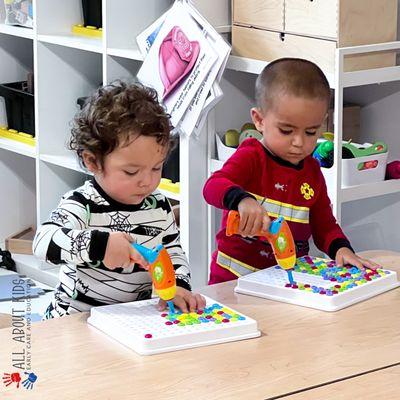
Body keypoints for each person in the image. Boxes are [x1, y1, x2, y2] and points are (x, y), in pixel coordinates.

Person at [33, 81, 205, 318]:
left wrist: (178, 286)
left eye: (156, 168)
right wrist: (101, 246)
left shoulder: (158, 206)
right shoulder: (82, 204)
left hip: (129, 318)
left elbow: (172, 251)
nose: (147, 181)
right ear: (93, 161)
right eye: (131, 172)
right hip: (75, 318)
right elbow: (42, 242)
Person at [203, 58, 376, 284]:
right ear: (259, 120)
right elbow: (213, 186)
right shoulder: (251, 156)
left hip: (286, 280)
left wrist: (341, 249)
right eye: (286, 131)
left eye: (311, 132)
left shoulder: (312, 171)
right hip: (233, 280)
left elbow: (324, 225)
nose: (299, 142)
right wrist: (242, 200)